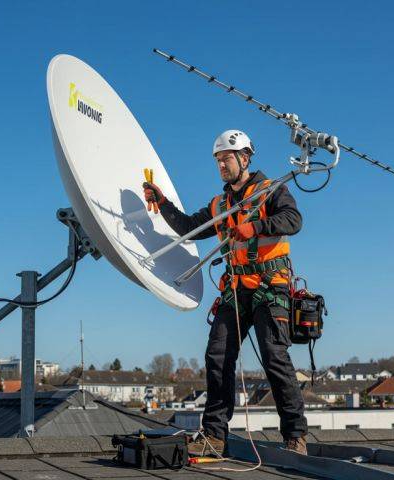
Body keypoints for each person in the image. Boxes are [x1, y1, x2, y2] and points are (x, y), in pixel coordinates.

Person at [142, 130, 308, 456]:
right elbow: (189, 227)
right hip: (235, 289)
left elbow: (293, 220)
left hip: (269, 287)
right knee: (217, 357)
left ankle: (295, 436)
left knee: (274, 358)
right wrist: (163, 204)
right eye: (217, 160)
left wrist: (255, 226)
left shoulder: (270, 190)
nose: (221, 165)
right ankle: (215, 435)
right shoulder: (220, 204)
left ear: (244, 159)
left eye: (226, 158)